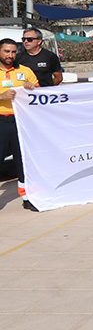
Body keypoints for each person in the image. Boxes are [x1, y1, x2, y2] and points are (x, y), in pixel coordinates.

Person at [0, 38, 39, 211]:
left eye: (14, 51)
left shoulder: (25, 70)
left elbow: (39, 94)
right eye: (7, 51)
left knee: (23, 161)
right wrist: (1, 97)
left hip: (20, 122)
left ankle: (27, 197)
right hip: (1, 121)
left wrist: (32, 87)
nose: (10, 55)